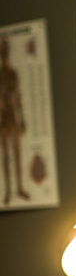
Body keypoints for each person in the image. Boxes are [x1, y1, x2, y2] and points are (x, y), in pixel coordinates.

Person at [0, 37, 29, 206]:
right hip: (3, 118)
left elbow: (17, 97)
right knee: (6, 155)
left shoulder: (12, 73)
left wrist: (22, 118)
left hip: (14, 118)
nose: (4, 55)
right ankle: (9, 191)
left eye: (6, 51)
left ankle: (19, 188)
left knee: (17, 154)